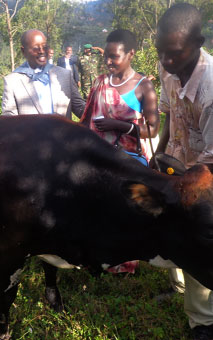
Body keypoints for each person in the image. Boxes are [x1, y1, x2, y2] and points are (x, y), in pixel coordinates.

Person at [155, 4, 213, 340]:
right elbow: (169, 114)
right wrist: (160, 153)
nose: (166, 61)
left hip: (210, 167)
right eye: (160, 52)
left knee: (198, 234)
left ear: (199, 43)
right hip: (178, 156)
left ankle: (206, 322)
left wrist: (184, 182)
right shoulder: (169, 67)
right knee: (172, 226)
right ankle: (181, 290)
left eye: (174, 54)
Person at [79, 29, 159, 274]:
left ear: (131, 54)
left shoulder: (144, 87)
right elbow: (86, 119)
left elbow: (153, 130)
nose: (109, 61)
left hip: (129, 162)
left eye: (114, 56)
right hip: (99, 159)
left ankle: (124, 263)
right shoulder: (100, 82)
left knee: (125, 211)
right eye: (107, 57)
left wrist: (121, 126)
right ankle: (98, 259)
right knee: (99, 209)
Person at [2, 29, 85, 119]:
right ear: (23, 51)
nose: (41, 51)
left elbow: (80, 107)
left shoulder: (64, 75)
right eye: (35, 48)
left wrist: (99, 112)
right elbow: (9, 119)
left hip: (63, 133)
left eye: (44, 46)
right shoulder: (12, 82)